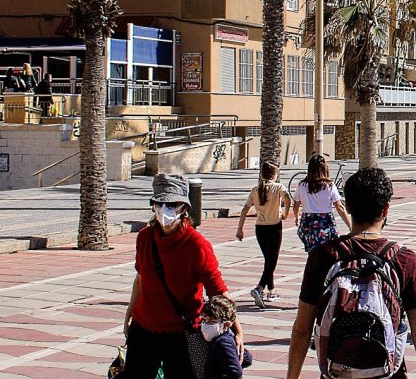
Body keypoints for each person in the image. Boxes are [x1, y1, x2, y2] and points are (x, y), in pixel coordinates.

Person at [287, 167, 416, 379]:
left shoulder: (323, 255)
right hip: (387, 372)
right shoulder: (404, 259)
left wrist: (292, 376)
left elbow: (302, 329)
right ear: (386, 209)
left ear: (348, 206)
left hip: (338, 370)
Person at [121, 174, 241, 378]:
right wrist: (129, 313)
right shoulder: (145, 238)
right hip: (144, 329)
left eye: (171, 204)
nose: (164, 209)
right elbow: (141, 278)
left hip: (182, 334)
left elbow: (217, 290)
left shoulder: (197, 245)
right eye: (159, 203)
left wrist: (237, 329)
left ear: (184, 208)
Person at [236, 162, 291, 308]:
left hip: (260, 228)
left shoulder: (255, 190)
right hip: (274, 227)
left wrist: (240, 229)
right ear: (274, 175)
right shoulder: (278, 187)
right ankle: (259, 288)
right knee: (272, 261)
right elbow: (288, 199)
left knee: (268, 260)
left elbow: (244, 210)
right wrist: (284, 214)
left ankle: (271, 290)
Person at [292, 155, 351, 254]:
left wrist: (296, 216)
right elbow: (339, 207)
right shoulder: (329, 185)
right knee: (328, 251)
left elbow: (296, 204)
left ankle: (313, 267)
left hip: (308, 221)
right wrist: (350, 225)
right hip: (325, 221)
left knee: (312, 252)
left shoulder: (302, 185)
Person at [201, 295, 253, 379]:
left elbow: (236, 372)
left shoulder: (222, 343)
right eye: (205, 320)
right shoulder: (227, 338)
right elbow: (247, 358)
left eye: (212, 321)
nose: (206, 325)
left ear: (226, 324)